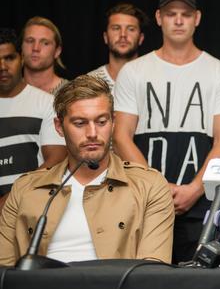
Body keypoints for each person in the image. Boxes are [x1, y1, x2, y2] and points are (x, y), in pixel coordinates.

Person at [113, 0, 220, 263]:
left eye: (185, 13)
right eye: (171, 13)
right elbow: (121, 136)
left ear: (197, 18)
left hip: (199, 206)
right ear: (159, 18)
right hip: (143, 201)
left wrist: (195, 189)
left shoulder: (219, 73)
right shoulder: (133, 72)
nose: (179, 20)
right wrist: (156, 188)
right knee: (144, 285)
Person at [0, 75, 174, 266]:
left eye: (101, 122)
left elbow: (153, 273)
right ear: (59, 126)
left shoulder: (149, 185)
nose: (92, 133)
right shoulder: (25, 189)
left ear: (113, 122)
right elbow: (4, 277)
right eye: (80, 123)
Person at [0, 28, 66, 210]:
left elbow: (56, 159)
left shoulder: (46, 103)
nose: (2, 66)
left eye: (9, 58)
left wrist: (11, 198)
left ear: (21, 57)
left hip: (28, 209)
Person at [86, 3, 148, 92]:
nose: (123, 35)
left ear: (141, 38)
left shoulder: (153, 77)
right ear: (105, 37)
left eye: (131, 29)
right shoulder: (90, 82)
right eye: (116, 28)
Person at [20, 16, 69, 95]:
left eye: (45, 43)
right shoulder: (8, 91)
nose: (35, 48)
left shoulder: (70, 93)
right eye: (30, 41)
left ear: (57, 51)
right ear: (21, 47)